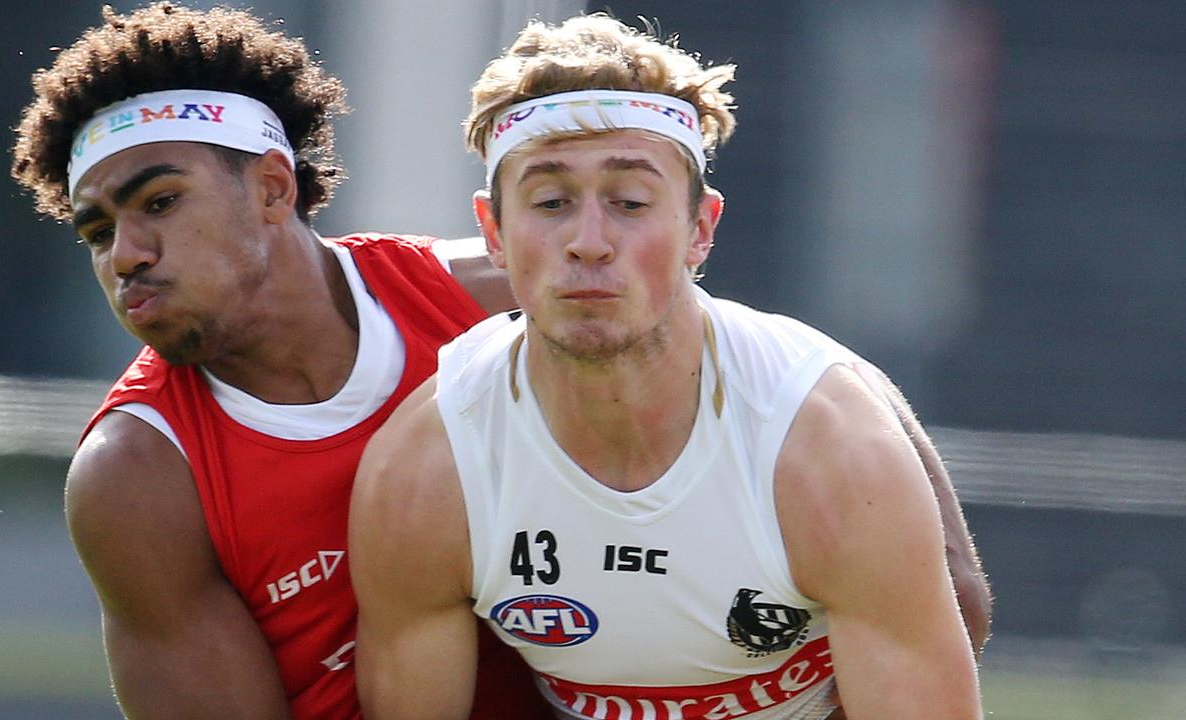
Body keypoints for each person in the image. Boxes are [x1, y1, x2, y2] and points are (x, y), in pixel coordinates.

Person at [351, 14, 987, 720]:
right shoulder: (427, 467)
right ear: (495, 233)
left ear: (701, 229)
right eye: (551, 203)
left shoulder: (823, 450)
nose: (589, 242)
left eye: (630, 202)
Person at [10, 4, 552, 719]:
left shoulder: (503, 302)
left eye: (161, 201)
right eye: (99, 231)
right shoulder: (137, 474)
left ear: (272, 186)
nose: (127, 255)